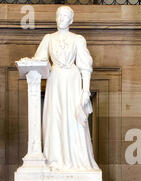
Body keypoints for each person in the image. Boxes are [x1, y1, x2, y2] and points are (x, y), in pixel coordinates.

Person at [33, 6, 98, 171]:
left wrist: (85, 91)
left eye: (65, 16)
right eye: (59, 15)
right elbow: (38, 60)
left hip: (72, 80)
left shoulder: (78, 39)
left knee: (73, 119)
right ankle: (55, 159)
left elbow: (85, 66)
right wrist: (29, 62)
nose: (61, 18)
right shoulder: (48, 38)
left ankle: (75, 158)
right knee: (54, 117)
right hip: (55, 80)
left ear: (71, 20)